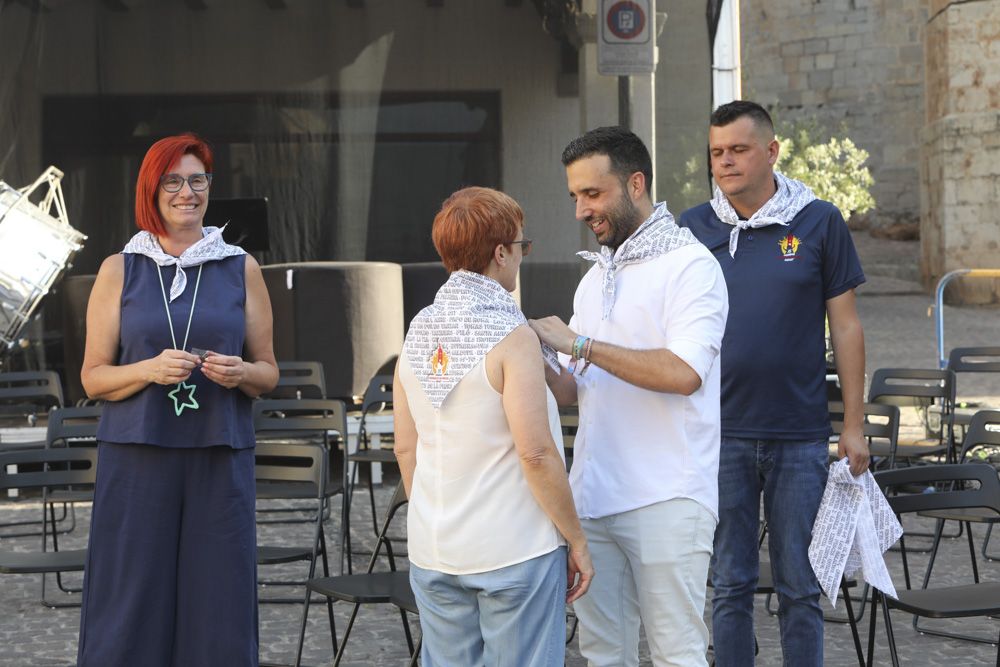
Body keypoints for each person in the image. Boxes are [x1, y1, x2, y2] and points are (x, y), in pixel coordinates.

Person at [678, 100, 867, 667]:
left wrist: (852, 426)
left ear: (771, 151)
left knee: (800, 587)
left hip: (799, 435)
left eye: (738, 150)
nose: (726, 162)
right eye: (717, 153)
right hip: (718, 434)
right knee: (730, 583)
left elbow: (848, 326)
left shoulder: (818, 220)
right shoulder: (691, 229)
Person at [77, 134, 278, 666]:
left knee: (218, 604)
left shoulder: (242, 267)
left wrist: (242, 373)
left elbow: (269, 372)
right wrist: (148, 369)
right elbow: (92, 378)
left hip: (218, 454)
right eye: (173, 181)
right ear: (152, 188)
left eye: (197, 180)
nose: (187, 192)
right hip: (136, 457)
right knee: (130, 601)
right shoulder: (119, 268)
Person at [530, 126, 729, 667]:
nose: (579, 210)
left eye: (592, 194)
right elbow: (572, 389)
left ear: (635, 183)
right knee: (602, 656)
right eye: (575, 196)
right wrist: (533, 356)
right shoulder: (593, 279)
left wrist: (578, 343)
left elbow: (685, 372)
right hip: (592, 498)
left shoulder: (692, 267)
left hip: (668, 496)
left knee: (677, 656)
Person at [392, 186, 594, 667]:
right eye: (522, 246)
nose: (522, 256)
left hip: (433, 546)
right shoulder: (510, 335)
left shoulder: (418, 327)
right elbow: (537, 453)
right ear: (501, 252)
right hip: (513, 547)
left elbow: (405, 447)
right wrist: (576, 539)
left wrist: (433, 518)